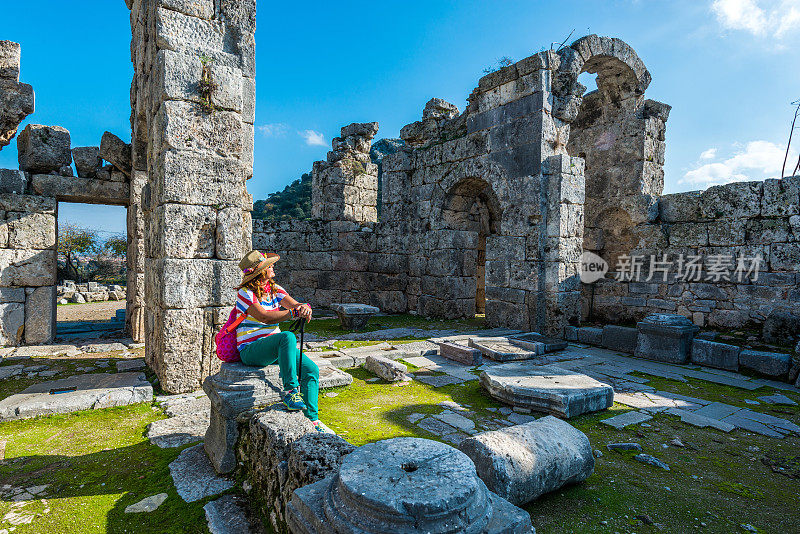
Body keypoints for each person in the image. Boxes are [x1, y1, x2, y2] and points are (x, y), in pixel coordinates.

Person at [235, 250, 332, 433]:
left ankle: (312, 420)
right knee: (287, 336)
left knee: (311, 369)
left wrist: (304, 308)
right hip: (251, 350)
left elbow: (294, 305)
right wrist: (293, 313)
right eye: (268, 266)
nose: (272, 267)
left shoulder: (274, 289)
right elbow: (265, 317)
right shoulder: (245, 293)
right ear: (259, 271)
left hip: (275, 346)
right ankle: (290, 392)